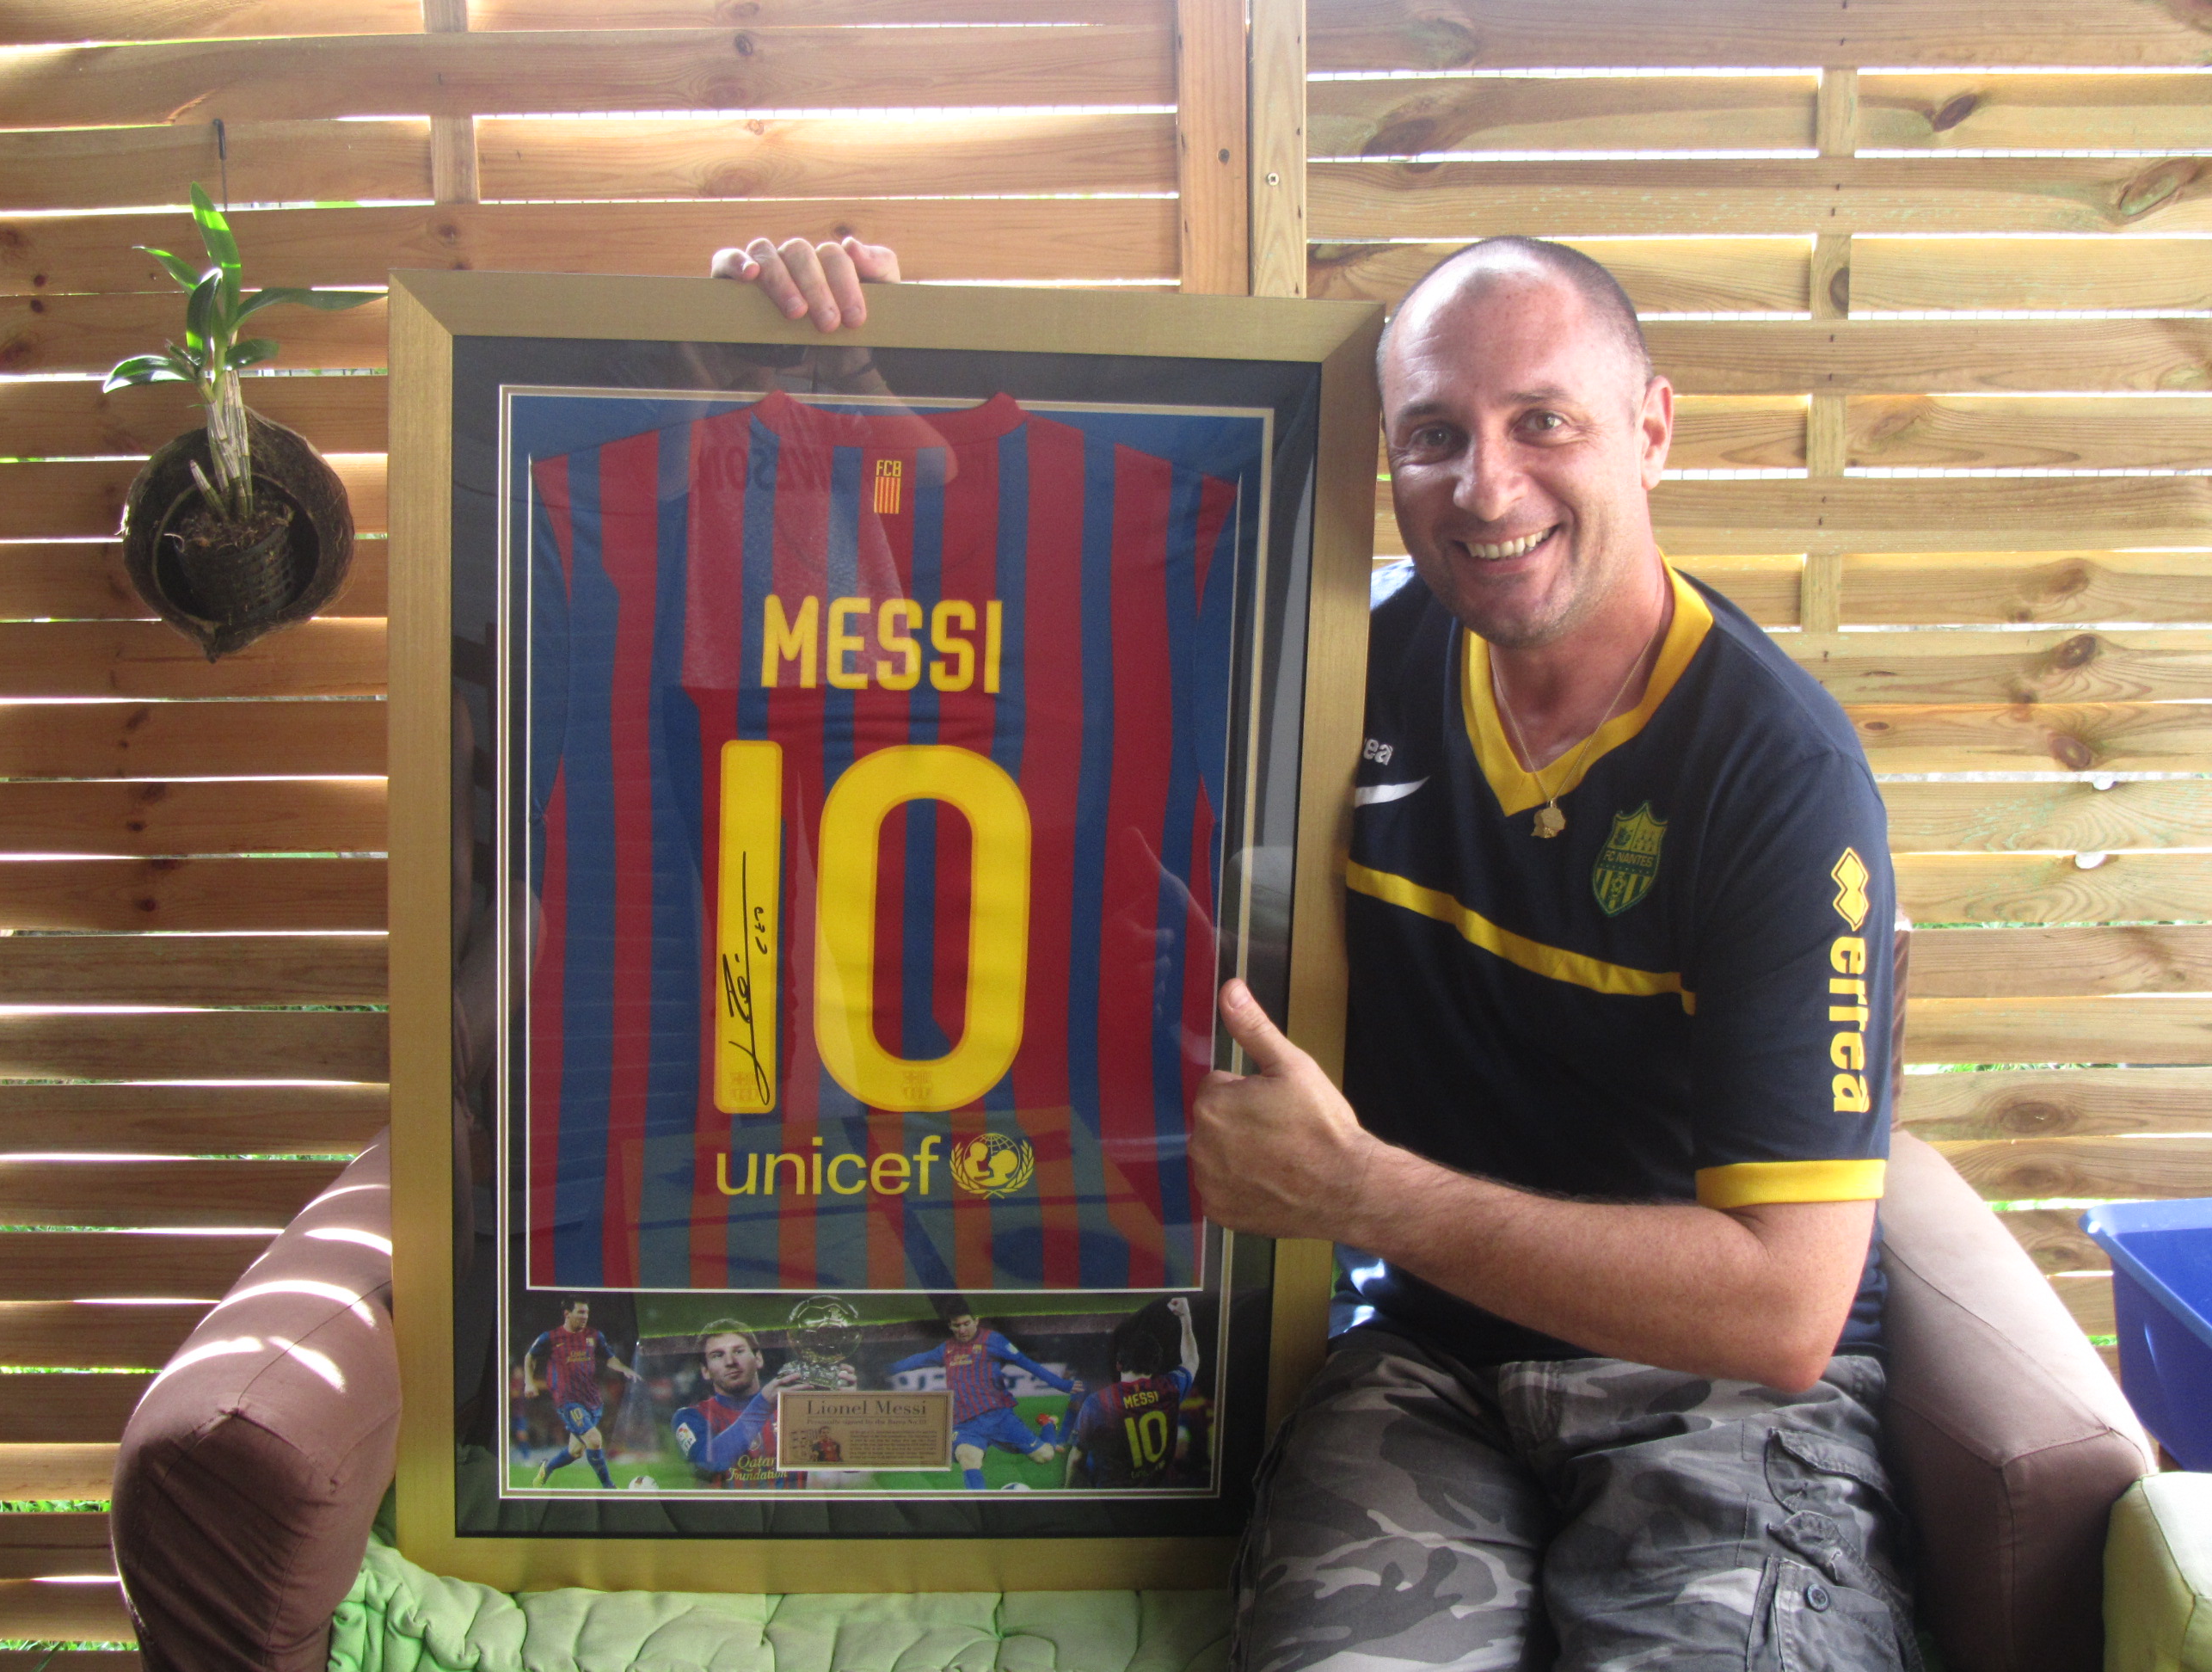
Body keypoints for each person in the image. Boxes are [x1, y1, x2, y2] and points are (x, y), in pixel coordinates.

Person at [713, 234, 1908, 1667]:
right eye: (1434, 435)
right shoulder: (1342, 672)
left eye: (1543, 420)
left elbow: (1784, 1309)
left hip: (1712, 1391)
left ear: (1650, 429)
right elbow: (979, 616)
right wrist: (847, 370)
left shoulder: (1777, 775)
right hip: (1428, 1364)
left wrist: (1362, 1194)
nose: (1485, 486)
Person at [887, 1297, 1083, 1490]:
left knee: (1045, 1456)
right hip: (965, 1423)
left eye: (966, 1324)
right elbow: (917, 1360)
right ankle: (983, 1504)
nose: (962, 1330)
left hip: (999, 1417)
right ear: (950, 1326)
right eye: (956, 1326)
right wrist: (883, 1371)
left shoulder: (993, 1340)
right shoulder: (946, 1349)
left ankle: (1048, 1423)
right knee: (968, 1458)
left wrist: (1061, 1384)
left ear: (976, 1320)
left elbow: (1027, 1363)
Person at [1067, 1295, 1200, 1489]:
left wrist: (1066, 1492)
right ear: (1155, 1365)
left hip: (1112, 1497)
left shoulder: (1098, 1402)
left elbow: (1076, 1459)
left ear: (1119, 1365)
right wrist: (1185, 1317)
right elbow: (1191, 1360)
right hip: (1157, 1495)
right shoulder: (1170, 1387)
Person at [671, 1320, 808, 1489]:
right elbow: (708, 1462)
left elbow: (836, 1463)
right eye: (717, 1355)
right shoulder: (690, 1417)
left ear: (758, 1358)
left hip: (789, 1506)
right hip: (728, 1508)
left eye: (738, 1351)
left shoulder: (794, 1410)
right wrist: (763, 1405)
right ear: (705, 1371)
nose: (730, 1361)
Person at [521, 1296, 633, 1489]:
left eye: (587, 1312)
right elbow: (530, 1357)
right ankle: (610, 1488)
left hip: (592, 1401)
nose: (585, 1316)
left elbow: (609, 1358)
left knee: (575, 1451)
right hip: (568, 1401)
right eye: (580, 1312)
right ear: (567, 1314)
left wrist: (623, 1368)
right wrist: (529, 1382)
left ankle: (547, 1468)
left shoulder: (594, 1336)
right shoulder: (551, 1337)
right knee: (594, 1440)